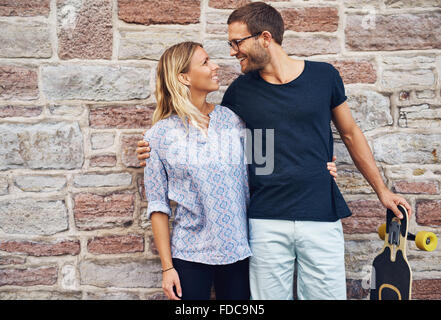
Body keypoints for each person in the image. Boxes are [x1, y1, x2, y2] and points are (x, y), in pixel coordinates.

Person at [137, 2, 411, 300]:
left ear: (264, 38)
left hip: (319, 213)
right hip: (265, 221)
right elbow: (227, 146)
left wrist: (379, 190)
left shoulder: (324, 77)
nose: (232, 52)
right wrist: (153, 148)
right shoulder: (240, 94)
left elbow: (349, 133)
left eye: (237, 43)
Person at [142, 40, 340, 300]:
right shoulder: (159, 136)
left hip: (239, 250)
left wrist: (319, 165)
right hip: (189, 254)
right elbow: (158, 206)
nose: (215, 66)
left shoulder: (233, 120)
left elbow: (269, 162)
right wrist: (168, 268)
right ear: (183, 77)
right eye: (205, 62)